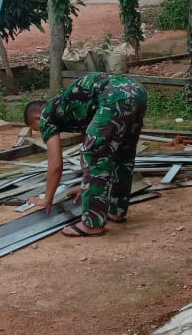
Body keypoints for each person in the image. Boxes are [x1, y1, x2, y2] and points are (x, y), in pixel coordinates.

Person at [23, 73, 148, 238]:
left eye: (37, 129)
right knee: (122, 154)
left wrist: (47, 199)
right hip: (137, 91)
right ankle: (116, 210)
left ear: (37, 117)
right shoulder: (71, 106)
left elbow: (56, 165)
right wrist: (86, 187)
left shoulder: (47, 116)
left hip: (113, 96)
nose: (42, 132)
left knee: (93, 155)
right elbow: (100, 142)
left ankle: (92, 224)